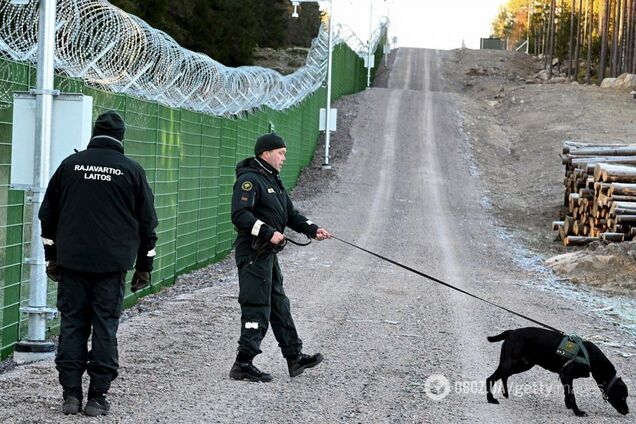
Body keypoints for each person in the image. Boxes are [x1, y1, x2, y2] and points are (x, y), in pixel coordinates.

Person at [39, 111, 158, 416]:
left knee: (73, 325)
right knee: (105, 326)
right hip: (111, 265)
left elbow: (47, 215)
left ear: (94, 133)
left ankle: (70, 395)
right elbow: (148, 223)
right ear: (121, 138)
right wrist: (145, 264)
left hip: (72, 263)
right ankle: (97, 397)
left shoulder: (69, 166)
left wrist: (51, 257)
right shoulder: (131, 170)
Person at [230, 132, 331, 382]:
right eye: (281, 153)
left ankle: (294, 358)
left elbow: (290, 213)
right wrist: (267, 232)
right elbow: (240, 215)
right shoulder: (249, 180)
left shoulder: (273, 181)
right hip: (253, 252)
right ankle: (243, 363)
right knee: (256, 306)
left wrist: (312, 228)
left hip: (267, 254)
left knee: (279, 305)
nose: (284, 158)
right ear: (266, 153)